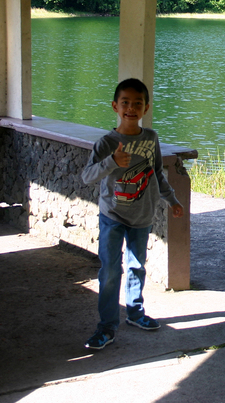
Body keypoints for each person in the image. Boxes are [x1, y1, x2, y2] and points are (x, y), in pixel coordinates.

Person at [81, 77, 184, 350]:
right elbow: (87, 176)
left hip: (142, 216)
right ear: (115, 106)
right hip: (112, 215)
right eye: (125, 103)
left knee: (137, 267)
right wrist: (111, 162)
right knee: (111, 270)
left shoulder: (151, 138)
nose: (131, 108)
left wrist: (172, 200)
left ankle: (135, 314)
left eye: (137, 104)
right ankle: (106, 327)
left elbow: (157, 173)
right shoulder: (107, 142)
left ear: (146, 108)